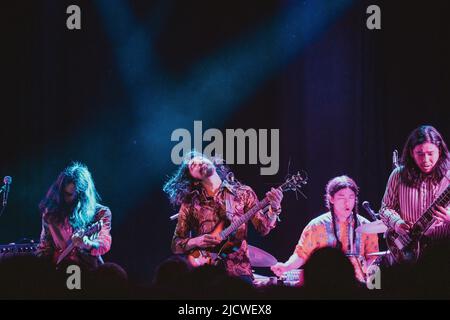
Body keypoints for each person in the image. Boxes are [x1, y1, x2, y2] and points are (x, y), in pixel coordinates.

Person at [163, 151, 283, 282]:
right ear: (194, 178)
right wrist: (196, 241)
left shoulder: (243, 193)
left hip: (239, 273)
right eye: (193, 165)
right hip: (207, 275)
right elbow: (176, 245)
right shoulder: (190, 203)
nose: (199, 162)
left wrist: (274, 208)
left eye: (200, 158)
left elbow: (263, 228)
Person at [271, 175, 379, 283]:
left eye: (351, 197)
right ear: (331, 199)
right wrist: (286, 267)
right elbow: (301, 254)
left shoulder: (366, 226)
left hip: (357, 286)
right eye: (342, 197)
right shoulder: (317, 226)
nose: (347, 203)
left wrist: (368, 278)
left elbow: (374, 258)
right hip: (324, 283)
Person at [380, 125, 450, 245]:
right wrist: (397, 223)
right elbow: (385, 209)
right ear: (412, 153)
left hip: (443, 249)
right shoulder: (398, 175)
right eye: (420, 154)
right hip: (409, 250)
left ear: (439, 150)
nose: (426, 160)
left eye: (430, 153)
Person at [36, 162, 112, 270]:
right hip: (59, 272)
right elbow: (45, 247)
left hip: (87, 271)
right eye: (62, 193)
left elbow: (104, 243)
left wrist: (87, 244)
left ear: (82, 195)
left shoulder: (100, 212)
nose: (64, 198)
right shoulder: (50, 213)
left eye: (69, 195)